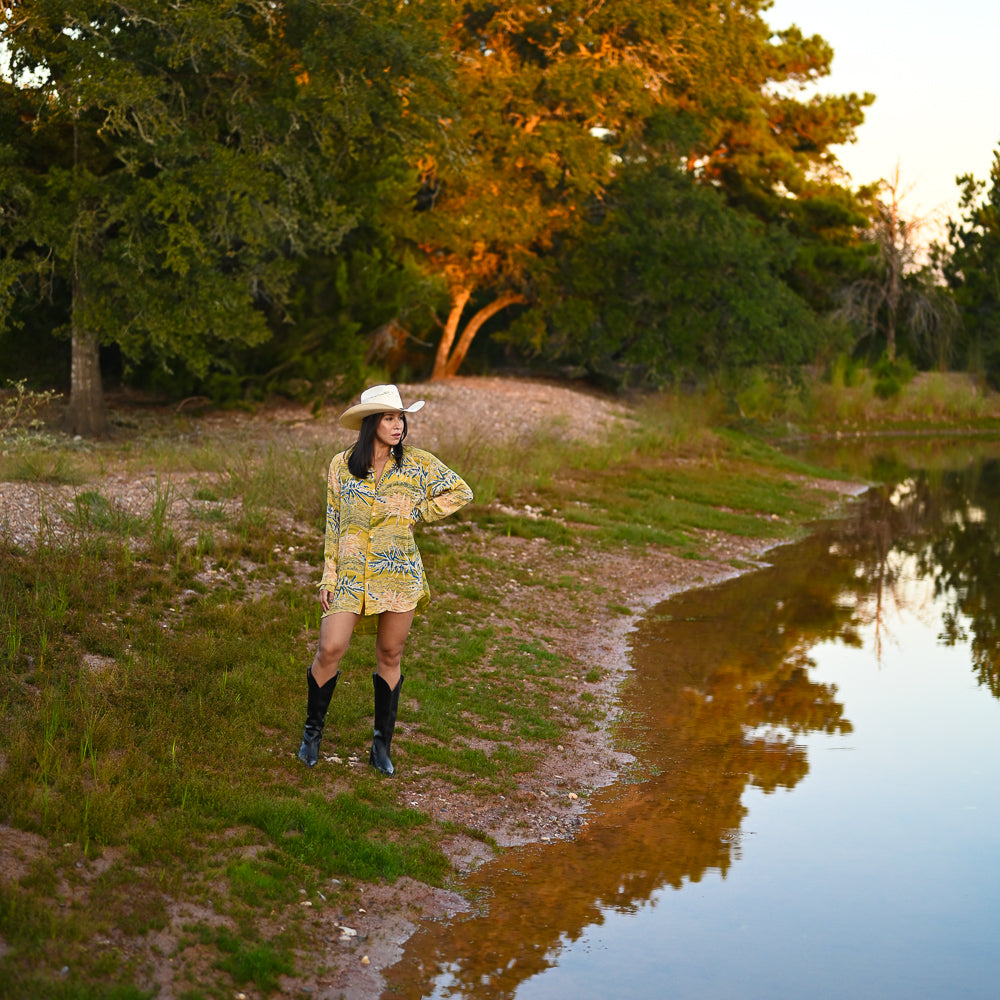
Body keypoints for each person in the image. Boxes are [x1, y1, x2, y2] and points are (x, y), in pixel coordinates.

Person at [297, 384, 473, 776]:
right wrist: (328, 574)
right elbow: (333, 523)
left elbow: (461, 491)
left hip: (398, 574)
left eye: (401, 418)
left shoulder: (417, 464)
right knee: (330, 647)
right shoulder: (341, 465)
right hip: (350, 572)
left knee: (390, 655)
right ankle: (312, 735)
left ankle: (381, 746)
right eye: (390, 418)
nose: (398, 426)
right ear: (370, 422)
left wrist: (421, 512)